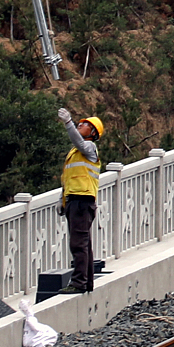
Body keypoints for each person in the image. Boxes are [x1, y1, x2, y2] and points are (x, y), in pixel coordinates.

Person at [57, 108, 104, 291]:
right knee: (83, 243)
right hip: (75, 201)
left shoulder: (89, 148)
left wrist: (68, 123)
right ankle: (86, 282)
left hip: (83, 202)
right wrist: (61, 201)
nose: (80, 124)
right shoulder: (75, 152)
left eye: (85, 124)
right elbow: (68, 179)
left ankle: (79, 283)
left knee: (78, 243)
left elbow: (80, 143)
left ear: (92, 132)